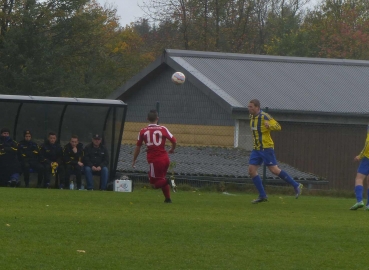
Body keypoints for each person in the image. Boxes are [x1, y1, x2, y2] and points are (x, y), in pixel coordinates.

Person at [247, 99, 303, 204]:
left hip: (266, 148)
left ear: (257, 107)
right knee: (251, 170)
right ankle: (262, 195)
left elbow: (278, 126)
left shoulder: (265, 117)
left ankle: (296, 185)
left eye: (251, 107)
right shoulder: (251, 117)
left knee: (274, 170)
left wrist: (270, 126)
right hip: (256, 149)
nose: (249, 108)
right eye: (248, 107)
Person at [132, 109, 177, 203]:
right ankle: (167, 199)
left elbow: (138, 147)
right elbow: (174, 141)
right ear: (157, 118)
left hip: (155, 160)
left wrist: (134, 160)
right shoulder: (163, 129)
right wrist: (172, 149)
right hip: (165, 158)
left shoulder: (143, 131)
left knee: (154, 184)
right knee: (161, 179)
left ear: (147, 118)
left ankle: (169, 181)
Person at [350, 124, 369, 210]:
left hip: (367, 158)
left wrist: (360, 156)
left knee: (359, 179)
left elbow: (367, 144)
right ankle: (368, 205)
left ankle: (359, 201)